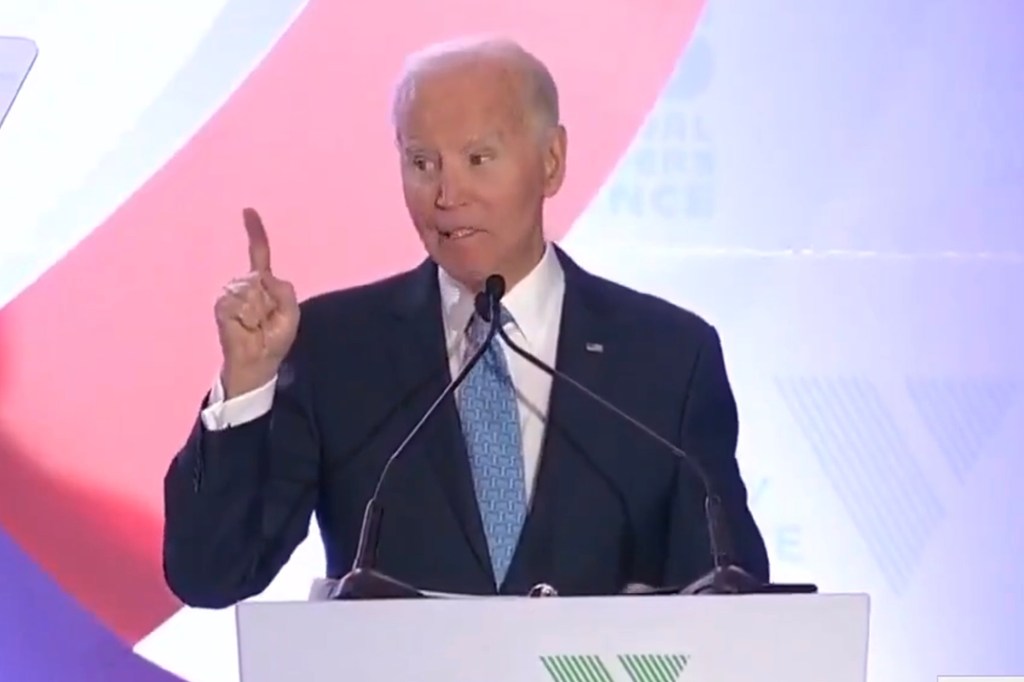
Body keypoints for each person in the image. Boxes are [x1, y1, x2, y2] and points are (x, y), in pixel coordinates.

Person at [162, 36, 769, 608]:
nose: (447, 195)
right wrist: (247, 384)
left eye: (479, 158)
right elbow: (211, 573)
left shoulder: (667, 355)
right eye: (422, 162)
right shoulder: (335, 348)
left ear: (551, 161)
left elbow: (729, 597)